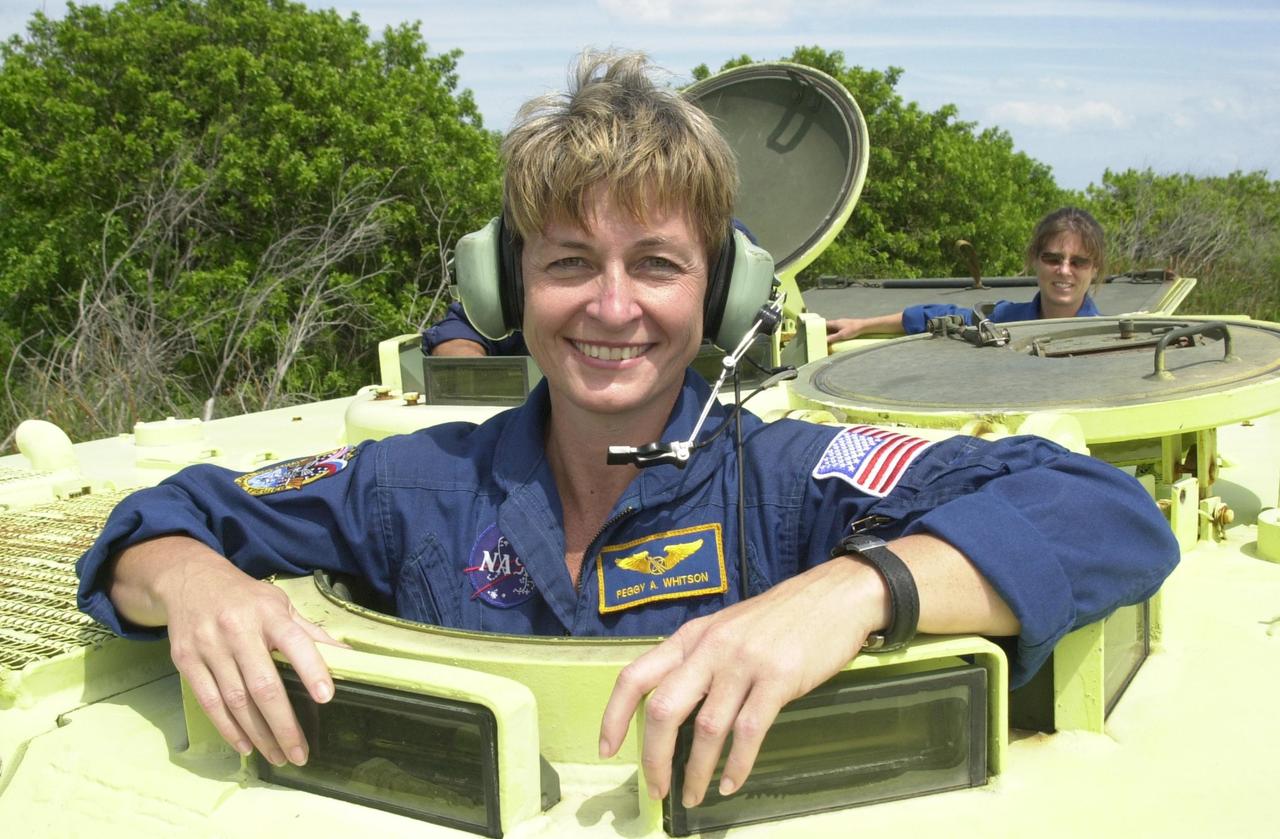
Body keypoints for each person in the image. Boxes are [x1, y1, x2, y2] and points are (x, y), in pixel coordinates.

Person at [76, 51, 1177, 810]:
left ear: (722, 295)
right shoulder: (411, 483)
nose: (611, 307)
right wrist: (194, 585)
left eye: (654, 262)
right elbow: (160, 520)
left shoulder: (789, 478)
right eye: (567, 263)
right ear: (507, 291)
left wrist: (850, 591)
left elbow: (1100, 512)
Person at [826, 207, 1106, 343]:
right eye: (1052, 258)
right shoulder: (1006, 320)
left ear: (1094, 269)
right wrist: (861, 325)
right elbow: (937, 317)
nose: (1064, 270)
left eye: (1078, 262)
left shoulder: (1108, 338)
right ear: (1035, 259)